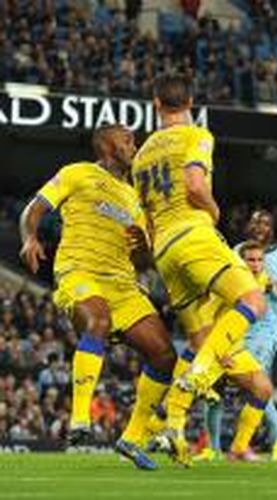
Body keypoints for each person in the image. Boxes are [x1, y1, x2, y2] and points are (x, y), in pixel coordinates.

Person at [18, 124, 177, 470]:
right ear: (106, 144)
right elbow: (35, 208)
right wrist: (31, 237)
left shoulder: (135, 198)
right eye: (127, 140)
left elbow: (143, 261)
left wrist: (143, 250)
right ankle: (79, 419)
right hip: (79, 272)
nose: (134, 145)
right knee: (98, 321)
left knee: (165, 355)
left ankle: (131, 438)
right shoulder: (77, 173)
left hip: (124, 284)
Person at [132, 73, 269, 467]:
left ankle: (172, 424)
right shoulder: (197, 135)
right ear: (190, 101)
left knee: (201, 337)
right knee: (252, 300)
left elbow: (146, 220)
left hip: (165, 252)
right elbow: (194, 184)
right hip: (193, 234)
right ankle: (193, 381)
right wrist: (213, 210)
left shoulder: (142, 154)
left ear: (156, 104)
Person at [197, 210, 277, 463]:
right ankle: (213, 448)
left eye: (265, 222)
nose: (259, 226)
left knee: (256, 384)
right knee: (214, 382)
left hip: (264, 329)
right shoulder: (237, 249)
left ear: (272, 228)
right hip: (235, 323)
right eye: (255, 221)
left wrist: (264, 281)